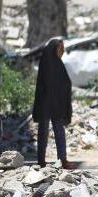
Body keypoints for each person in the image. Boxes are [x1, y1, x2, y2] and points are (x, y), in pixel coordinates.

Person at [33, 39, 73, 169]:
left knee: (59, 132)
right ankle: (41, 161)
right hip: (45, 104)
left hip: (56, 105)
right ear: (53, 50)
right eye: (60, 49)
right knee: (43, 133)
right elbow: (41, 87)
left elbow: (65, 84)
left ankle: (63, 160)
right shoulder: (46, 65)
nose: (63, 51)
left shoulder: (58, 65)